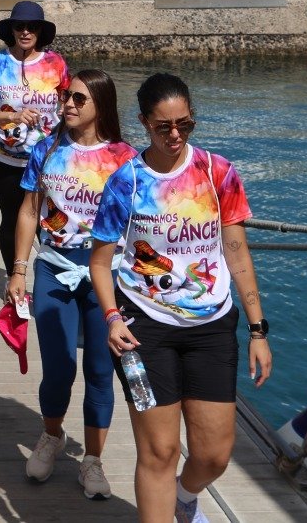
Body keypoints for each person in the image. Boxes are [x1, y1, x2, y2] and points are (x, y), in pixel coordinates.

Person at [89, 73, 272, 523]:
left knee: (214, 454)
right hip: (142, 330)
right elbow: (100, 262)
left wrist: (257, 329)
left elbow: (236, 251)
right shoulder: (126, 182)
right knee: (159, 451)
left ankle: (184, 498)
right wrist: (112, 317)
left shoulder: (218, 172)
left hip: (212, 327)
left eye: (185, 124)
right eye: (163, 126)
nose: (175, 135)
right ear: (143, 123)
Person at [6, 69, 136, 499]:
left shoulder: (124, 159)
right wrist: (19, 269)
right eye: (66, 96)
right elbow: (29, 211)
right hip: (54, 268)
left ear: (102, 104)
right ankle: (52, 436)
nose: (68, 104)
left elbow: (143, 222)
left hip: (106, 275)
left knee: (101, 370)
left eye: (79, 98)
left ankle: (93, 461)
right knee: (59, 367)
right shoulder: (47, 149)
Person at [0, 1, 70, 271]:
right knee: (12, 218)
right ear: (12, 30)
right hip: (5, 158)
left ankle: (46, 276)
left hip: (46, 158)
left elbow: (68, 102)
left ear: (40, 31)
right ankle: (13, 278)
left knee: (46, 219)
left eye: (32, 27)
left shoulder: (55, 63)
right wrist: (13, 117)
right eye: (19, 27)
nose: (25, 32)